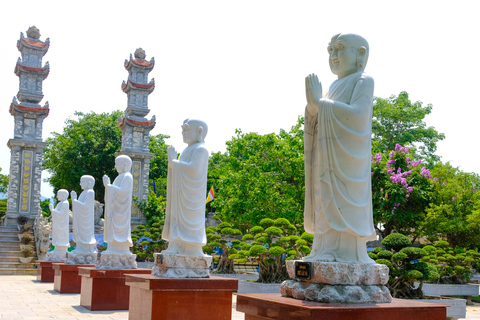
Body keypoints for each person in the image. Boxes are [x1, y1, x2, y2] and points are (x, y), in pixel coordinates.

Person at [303, 33, 375, 263]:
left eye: (339, 49)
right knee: (323, 200)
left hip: (347, 164)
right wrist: (313, 109)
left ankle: (345, 253)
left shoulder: (363, 80)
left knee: (341, 204)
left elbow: (358, 117)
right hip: (325, 162)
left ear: (360, 54)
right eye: (330, 50)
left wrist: (320, 104)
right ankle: (322, 249)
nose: (333, 56)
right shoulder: (333, 86)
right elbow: (320, 117)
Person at [162, 119, 209, 256]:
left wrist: (174, 162)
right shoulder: (187, 150)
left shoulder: (201, 149)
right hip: (181, 195)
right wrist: (173, 163)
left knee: (189, 225)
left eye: (186, 129)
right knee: (177, 221)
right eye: (182, 129)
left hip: (191, 197)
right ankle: (175, 244)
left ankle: (191, 249)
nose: (183, 132)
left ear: (199, 131)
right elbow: (179, 169)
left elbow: (194, 171)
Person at [102, 155, 134, 254]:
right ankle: (112, 247)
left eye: (117, 164)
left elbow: (123, 193)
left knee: (119, 232)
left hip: (121, 212)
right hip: (115, 211)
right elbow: (113, 194)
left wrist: (108, 186)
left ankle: (119, 248)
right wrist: (108, 187)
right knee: (113, 230)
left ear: (125, 165)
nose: (115, 167)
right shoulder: (119, 177)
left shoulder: (127, 176)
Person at [71, 175, 96, 253]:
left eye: (82, 182)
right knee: (80, 236)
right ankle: (80, 248)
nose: (80, 184)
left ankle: (85, 249)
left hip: (86, 220)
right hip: (81, 220)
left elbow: (86, 207)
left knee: (85, 236)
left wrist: (74, 200)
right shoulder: (84, 192)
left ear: (89, 183)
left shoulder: (90, 192)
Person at [49, 189, 70, 254]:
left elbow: (61, 214)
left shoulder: (65, 203)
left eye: (58, 195)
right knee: (57, 237)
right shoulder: (60, 203)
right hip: (58, 225)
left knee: (61, 237)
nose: (57, 196)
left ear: (63, 195)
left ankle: (61, 249)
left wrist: (52, 210)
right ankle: (57, 248)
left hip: (62, 225)